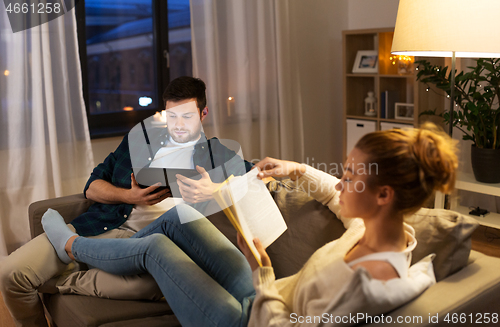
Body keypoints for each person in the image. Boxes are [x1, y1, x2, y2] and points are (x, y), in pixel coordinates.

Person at [40, 124, 458, 326]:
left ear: (383, 195)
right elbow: (332, 194)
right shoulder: (382, 232)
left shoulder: (363, 284)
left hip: (247, 320)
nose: (342, 180)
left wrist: (261, 273)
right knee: (178, 216)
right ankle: (107, 253)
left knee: (154, 250)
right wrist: (294, 169)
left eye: (351, 174)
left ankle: (72, 246)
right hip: (265, 293)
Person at [0, 76, 253, 327]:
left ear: (203, 112)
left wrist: (215, 188)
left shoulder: (215, 153)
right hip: (101, 228)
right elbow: (92, 187)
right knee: (10, 273)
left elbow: (257, 176)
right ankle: (79, 254)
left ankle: (65, 278)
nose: (177, 124)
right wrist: (129, 196)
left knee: (162, 280)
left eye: (186, 116)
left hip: (150, 246)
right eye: (171, 115)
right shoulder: (140, 142)